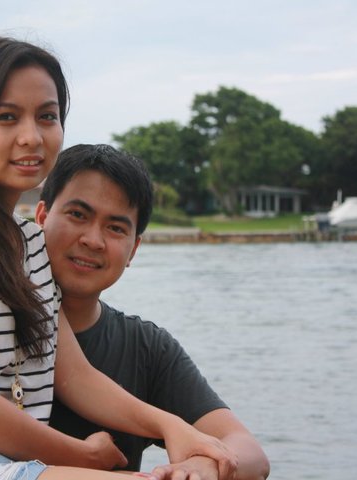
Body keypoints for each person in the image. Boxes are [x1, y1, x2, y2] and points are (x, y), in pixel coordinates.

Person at [0, 36, 233, 480]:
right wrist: (84, 456)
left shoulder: (29, 245)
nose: (31, 137)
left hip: (8, 464)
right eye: (7, 117)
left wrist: (172, 427)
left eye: (47, 117)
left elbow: (74, 377)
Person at [36, 144, 270, 480]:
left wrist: (198, 468)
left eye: (116, 228)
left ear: (134, 249)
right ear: (41, 217)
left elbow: (249, 452)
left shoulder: (146, 348)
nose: (93, 240)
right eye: (78, 215)